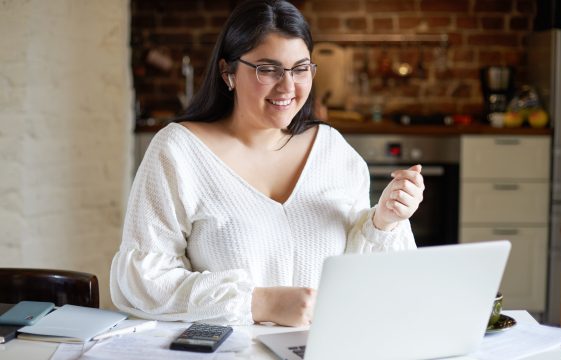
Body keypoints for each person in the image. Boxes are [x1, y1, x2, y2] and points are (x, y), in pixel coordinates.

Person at [110, 0, 424, 327]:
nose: (288, 87)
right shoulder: (178, 151)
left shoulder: (332, 150)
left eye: (300, 69)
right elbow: (142, 281)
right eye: (268, 69)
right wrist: (260, 303)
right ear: (227, 73)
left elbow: (359, 283)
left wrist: (384, 222)